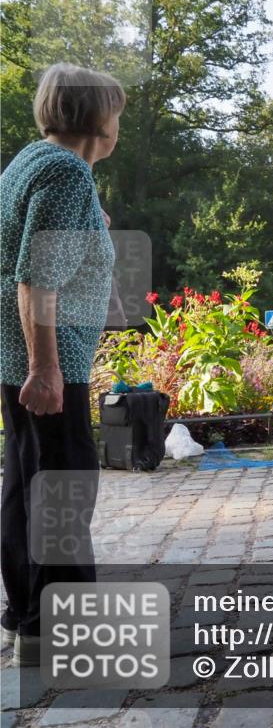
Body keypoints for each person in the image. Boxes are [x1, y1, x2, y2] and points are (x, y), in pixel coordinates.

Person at [0, 63, 126, 666]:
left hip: (13, 353)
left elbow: (22, 246)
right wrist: (45, 369)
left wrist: (92, 227)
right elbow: (35, 280)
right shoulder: (67, 172)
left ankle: (29, 620)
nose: (119, 123)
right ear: (97, 118)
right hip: (50, 360)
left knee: (27, 482)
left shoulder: (31, 162)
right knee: (63, 485)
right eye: (117, 112)